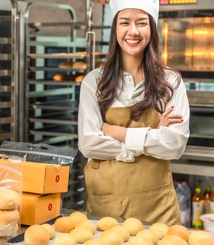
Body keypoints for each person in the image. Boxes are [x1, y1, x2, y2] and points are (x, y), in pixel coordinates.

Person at [78, 0, 190, 226]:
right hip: (108, 210)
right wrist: (152, 136)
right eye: (125, 22)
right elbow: (89, 144)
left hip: (159, 211)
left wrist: (114, 131)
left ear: (152, 29)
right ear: (115, 29)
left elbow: (175, 144)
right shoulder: (94, 82)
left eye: (141, 23)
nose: (133, 31)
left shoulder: (170, 82)